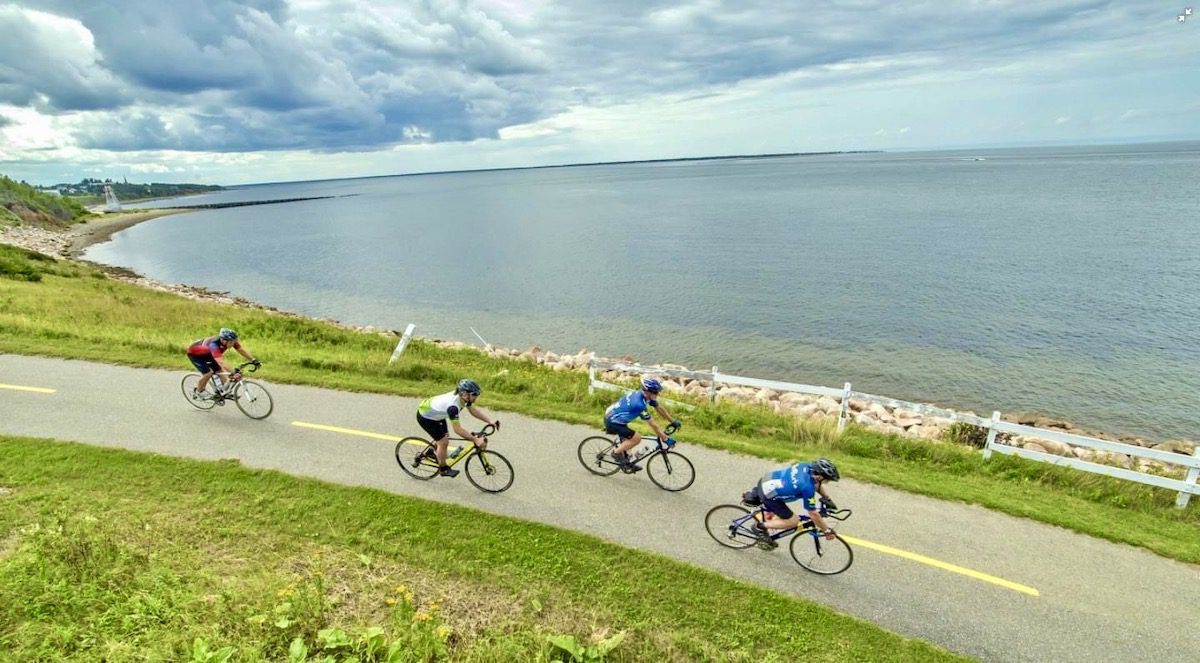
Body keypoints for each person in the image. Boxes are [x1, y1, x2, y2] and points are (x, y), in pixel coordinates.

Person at [742, 458, 840, 549]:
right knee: (793, 521)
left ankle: (769, 520)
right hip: (769, 494)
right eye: (826, 480)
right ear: (819, 476)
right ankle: (759, 527)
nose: (827, 482)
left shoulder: (805, 466)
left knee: (778, 515)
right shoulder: (807, 487)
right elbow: (813, 514)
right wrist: (826, 530)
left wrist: (827, 498)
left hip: (768, 480)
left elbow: (817, 485)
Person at [416, 379, 499, 477]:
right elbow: (457, 430)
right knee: (443, 442)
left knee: (445, 436)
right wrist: (475, 439)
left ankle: (432, 452)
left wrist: (489, 421)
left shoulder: (464, 398)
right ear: (464, 394)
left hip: (437, 413)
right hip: (426, 417)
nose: (476, 397)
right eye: (474, 394)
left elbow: (473, 410)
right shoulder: (453, 407)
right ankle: (443, 469)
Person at [603, 376, 680, 472]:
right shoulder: (639, 404)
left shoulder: (644, 395)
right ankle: (616, 453)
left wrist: (672, 421)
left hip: (615, 416)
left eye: (657, 392)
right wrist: (664, 438)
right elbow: (652, 424)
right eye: (655, 392)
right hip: (613, 422)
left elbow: (659, 408)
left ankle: (628, 463)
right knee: (636, 438)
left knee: (629, 442)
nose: (657, 394)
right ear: (647, 391)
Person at [186, 328, 259, 399]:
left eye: (234, 341)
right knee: (208, 373)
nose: (233, 343)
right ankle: (198, 392)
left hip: (208, 353)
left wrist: (253, 360)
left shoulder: (230, 341)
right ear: (224, 341)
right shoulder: (213, 345)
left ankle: (224, 391)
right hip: (195, 354)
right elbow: (220, 362)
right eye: (232, 342)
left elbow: (241, 350)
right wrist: (234, 371)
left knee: (220, 371)